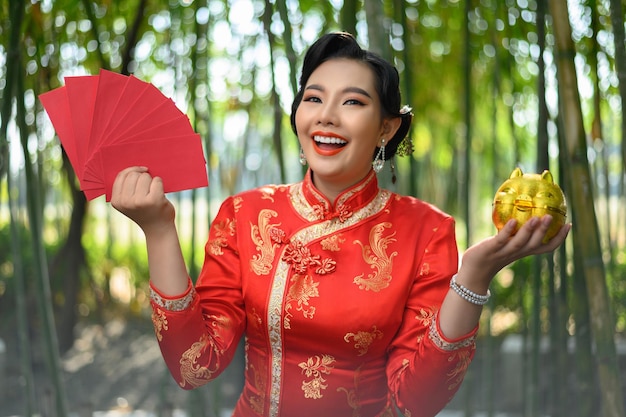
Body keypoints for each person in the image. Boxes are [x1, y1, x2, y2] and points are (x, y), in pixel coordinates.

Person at [110, 32, 570, 417]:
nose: (326, 115)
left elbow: (417, 400)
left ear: (386, 129)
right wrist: (159, 229)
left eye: (352, 101)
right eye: (313, 98)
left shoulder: (425, 231)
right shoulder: (246, 214)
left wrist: (473, 276)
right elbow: (195, 367)